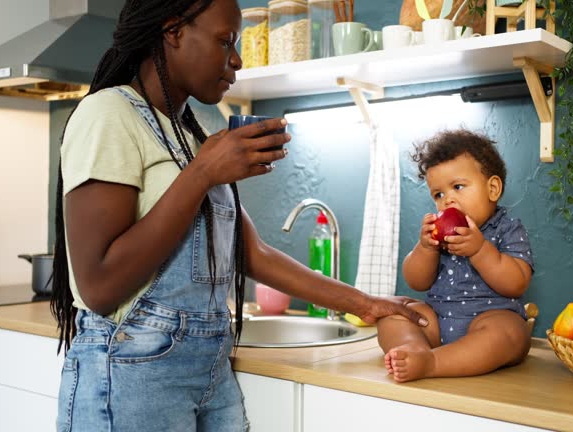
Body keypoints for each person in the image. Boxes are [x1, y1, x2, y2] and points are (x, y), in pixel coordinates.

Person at [50, 1, 426, 430]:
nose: (237, 59)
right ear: (173, 32)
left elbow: (252, 253)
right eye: (224, 41)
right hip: (130, 374)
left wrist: (366, 302)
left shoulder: (190, 133)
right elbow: (99, 286)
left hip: (208, 368)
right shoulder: (108, 114)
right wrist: (203, 173)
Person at [377, 129, 534, 383]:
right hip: (437, 322)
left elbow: (517, 282)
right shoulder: (439, 233)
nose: (447, 200)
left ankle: (432, 363)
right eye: (438, 194)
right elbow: (416, 282)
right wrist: (425, 248)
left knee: (511, 333)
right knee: (393, 314)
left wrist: (480, 250)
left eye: (458, 187)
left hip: (488, 321)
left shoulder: (507, 228)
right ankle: (414, 349)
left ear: (492, 189)